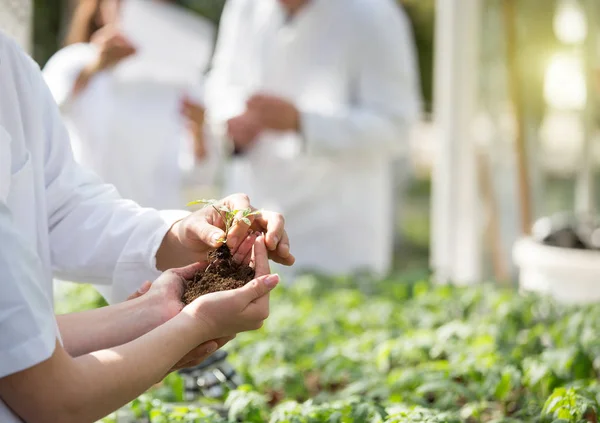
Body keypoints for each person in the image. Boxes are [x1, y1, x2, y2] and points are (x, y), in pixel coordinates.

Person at [0, 27, 296, 421]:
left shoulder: (9, 62)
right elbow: (54, 397)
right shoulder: (73, 63)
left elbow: (56, 202)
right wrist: (190, 326)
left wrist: (175, 238)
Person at [204, 0, 422, 280]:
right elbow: (222, 82)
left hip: (338, 234)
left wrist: (303, 123)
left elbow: (396, 127)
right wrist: (231, 119)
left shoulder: (376, 14)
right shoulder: (245, 7)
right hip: (252, 219)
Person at [42, 0, 215, 209]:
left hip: (157, 220)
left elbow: (199, 176)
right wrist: (95, 67)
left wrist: (197, 130)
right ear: (101, 9)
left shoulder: (182, 77)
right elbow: (43, 113)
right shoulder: (74, 61)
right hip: (91, 215)